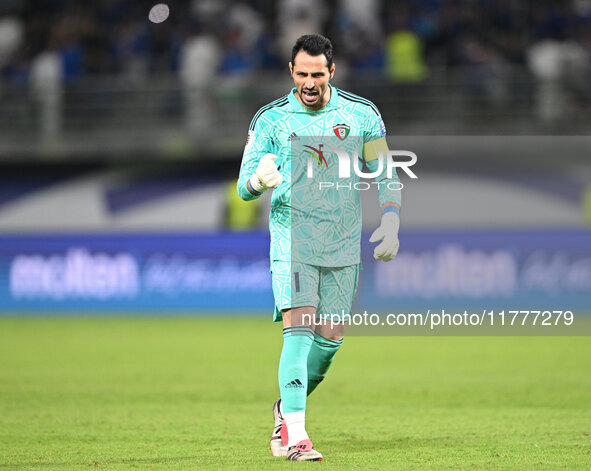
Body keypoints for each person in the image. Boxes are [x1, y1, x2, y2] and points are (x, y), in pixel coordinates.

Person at [237, 34, 401, 461]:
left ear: (332, 71)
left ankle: (283, 412)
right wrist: (259, 182)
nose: (309, 82)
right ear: (292, 71)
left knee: (330, 340)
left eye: (317, 74)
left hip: (343, 243)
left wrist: (391, 220)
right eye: (301, 73)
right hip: (294, 240)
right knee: (300, 329)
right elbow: (243, 186)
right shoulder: (270, 120)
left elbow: (385, 173)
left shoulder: (361, 114)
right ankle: (297, 437)